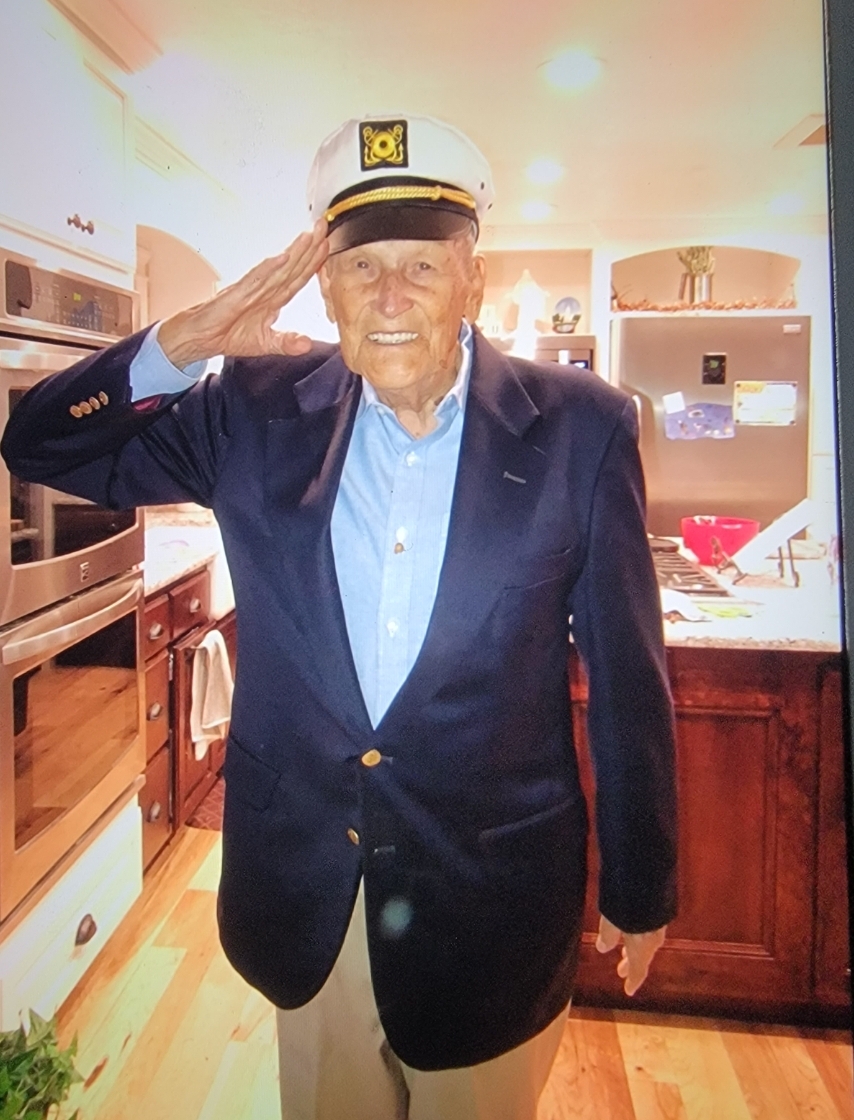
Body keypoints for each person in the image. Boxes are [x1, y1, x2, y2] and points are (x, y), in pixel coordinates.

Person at [1, 114, 677, 1120]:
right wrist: (185, 341)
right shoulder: (251, 409)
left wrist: (640, 883)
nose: (390, 296)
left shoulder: (580, 426)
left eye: (422, 265)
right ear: (325, 288)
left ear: (472, 279)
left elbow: (628, 675)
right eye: (362, 267)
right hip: (309, 895)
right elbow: (36, 445)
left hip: (488, 903)